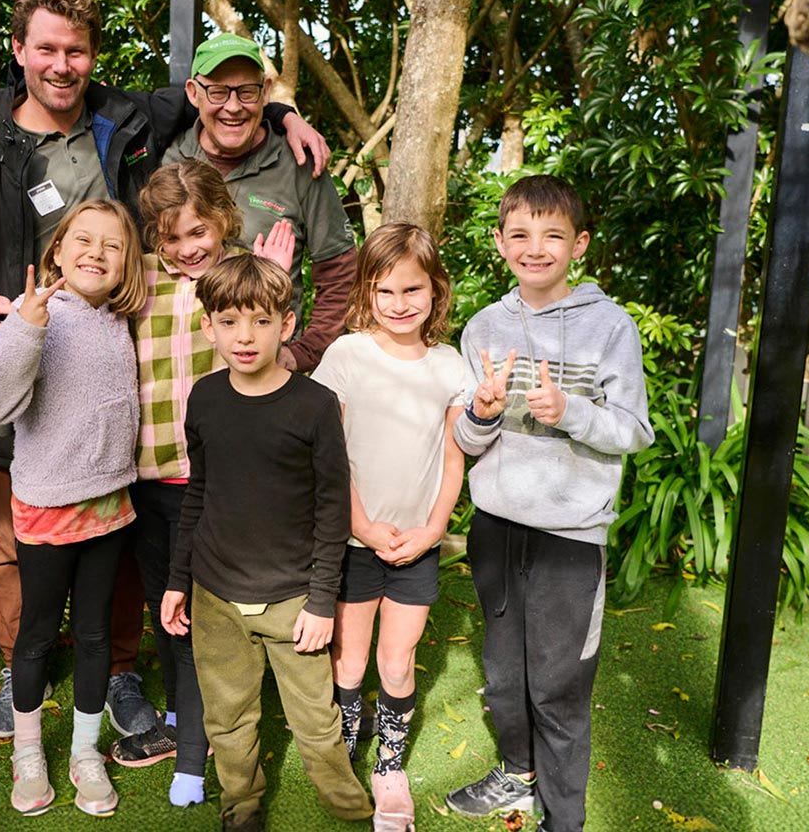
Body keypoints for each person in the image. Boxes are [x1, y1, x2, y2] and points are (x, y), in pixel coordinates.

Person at [0, 0, 328, 740]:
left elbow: (216, 94)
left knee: (119, 531)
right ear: (19, 52)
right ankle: (16, 669)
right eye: (46, 50)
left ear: (92, 57)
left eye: (76, 51)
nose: (62, 66)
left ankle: (124, 675)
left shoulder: (126, 119)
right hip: (22, 366)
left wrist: (282, 111)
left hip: (116, 367)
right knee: (13, 536)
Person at [439, 175, 655, 832]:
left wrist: (571, 412)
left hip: (570, 538)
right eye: (521, 235)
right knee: (505, 675)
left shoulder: (610, 328)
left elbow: (634, 430)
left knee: (559, 687)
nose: (536, 248)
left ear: (579, 244)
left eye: (553, 235)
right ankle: (515, 775)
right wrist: (481, 411)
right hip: (498, 530)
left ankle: (564, 818)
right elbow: (466, 438)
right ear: (500, 242)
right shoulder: (483, 328)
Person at [160, 255, 372, 832]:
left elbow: (333, 510)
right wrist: (179, 581)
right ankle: (242, 807)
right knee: (228, 717)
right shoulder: (204, 398)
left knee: (315, 718)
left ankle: (348, 805)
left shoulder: (314, 405)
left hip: (293, 599)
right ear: (209, 327)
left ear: (287, 322)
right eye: (229, 321)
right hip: (215, 593)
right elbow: (197, 494)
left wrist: (322, 602)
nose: (244, 336)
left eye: (259, 320)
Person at [108, 161, 295, 800]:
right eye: (173, 238)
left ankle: (196, 749)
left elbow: (278, 359)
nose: (189, 249)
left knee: (207, 614)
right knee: (167, 605)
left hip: (216, 481)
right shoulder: (142, 283)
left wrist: (278, 283)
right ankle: (189, 710)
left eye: (199, 232)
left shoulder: (240, 277)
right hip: (151, 474)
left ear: (223, 221)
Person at [0, 200, 148, 817]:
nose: (96, 252)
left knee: (95, 634)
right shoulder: (38, 315)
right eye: (83, 240)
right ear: (56, 253)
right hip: (46, 506)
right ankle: (28, 754)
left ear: (128, 265)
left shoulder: (120, 322)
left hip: (108, 504)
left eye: (113, 245)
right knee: (38, 636)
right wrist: (26, 327)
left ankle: (85, 752)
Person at [310, 223, 471, 832]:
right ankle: (346, 746)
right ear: (365, 294)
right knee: (349, 661)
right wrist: (362, 525)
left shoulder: (450, 365)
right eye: (385, 292)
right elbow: (330, 457)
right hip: (353, 542)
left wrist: (433, 531)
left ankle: (391, 763)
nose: (400, 304)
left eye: (413, 290)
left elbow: (453, 457)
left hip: (417, 545)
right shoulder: (348, 355)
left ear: (435, 291)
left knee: (397, 661)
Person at [161, 33, 358, 372]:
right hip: (180, 378)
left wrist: (305, 352)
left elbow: (341, 273)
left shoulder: (299, 162)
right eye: (218, 91)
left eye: (246, 92)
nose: (233, 106)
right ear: (194, 93)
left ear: (266, 92)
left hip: (269, 375)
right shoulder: (170, 159)